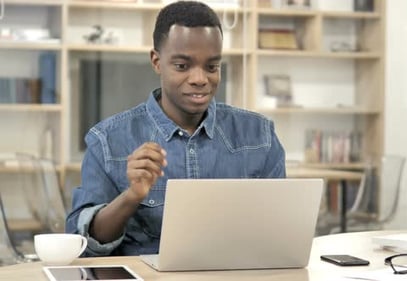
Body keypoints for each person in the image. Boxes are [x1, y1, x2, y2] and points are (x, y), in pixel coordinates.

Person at [65, 1, 286, 256]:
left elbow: (281, 233)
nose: (200, 79)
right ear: (157, 62)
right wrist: (131, 196)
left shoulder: (261, 135)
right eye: (182, 66)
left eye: (212, 67)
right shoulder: (107, 140)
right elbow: (85, 245)